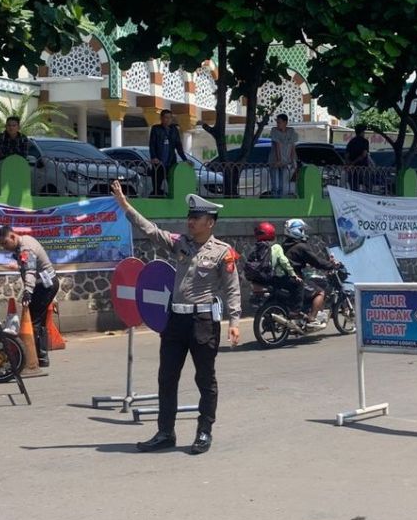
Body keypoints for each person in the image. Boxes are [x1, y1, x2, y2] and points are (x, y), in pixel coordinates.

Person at [109, 179, 242, 455]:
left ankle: (204, 432)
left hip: (203, 323)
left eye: (196, 217)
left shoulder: (222, 252)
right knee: (166, 377)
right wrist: (124, 205)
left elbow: (232, 288)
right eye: (189, 217)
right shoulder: (179, 243)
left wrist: (235, 322)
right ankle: (165, 432)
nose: (190, 222)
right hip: (176, 323)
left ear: (210, 222)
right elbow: (150, 230)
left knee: (205, 379)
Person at [0, 225, 58, 369]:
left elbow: (30, 270)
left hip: (44, 286)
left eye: (5, 243)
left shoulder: (25, 248)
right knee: (38, 320)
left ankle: (33, 357)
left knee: (33, 320)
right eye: (1, 245)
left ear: (12, 236)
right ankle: (41, 357)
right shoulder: (24, 241)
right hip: (44, 284)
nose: (4, 247)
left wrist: (27, 291)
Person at [282, 218, 338, 330]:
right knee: (320, 292)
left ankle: (305, 312)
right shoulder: (301, 247)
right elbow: (317, 261)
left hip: (284, 277)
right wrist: (331, 265)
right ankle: (312, 318)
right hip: (295, 278)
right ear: (296, 231)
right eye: (302, 230)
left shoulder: (285, 245)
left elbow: (294, 260)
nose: (304, 232)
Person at [148, 108, 188, 197]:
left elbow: (179, 146)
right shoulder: (156, 129)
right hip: (159, 163)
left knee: (172, 185)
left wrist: (185, 159)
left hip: (171, 162)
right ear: (161, 118)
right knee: (157, 186)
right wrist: (154, 157)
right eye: (166, 117)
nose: (168, 120)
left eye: (170, 118)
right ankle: (157, 199)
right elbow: (152, 145)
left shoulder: (174, 130)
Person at [268, 113, 298, 198]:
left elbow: (292, 146)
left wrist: (293, 160)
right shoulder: (274, 130)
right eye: (277, 122)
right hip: (275, 161)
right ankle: (275, 203)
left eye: (279, 122)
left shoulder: (291, 131)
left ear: (285, 122)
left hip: (285, 162)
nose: (277, 124)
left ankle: (280, 203)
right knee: (275, 185)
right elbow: (277, 145)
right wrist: (279, 160)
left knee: (282, 186)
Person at [345, 125, 371, 192]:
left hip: (353, 169)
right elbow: (364, 155)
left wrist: (350, 164)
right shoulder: (365, 141)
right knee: (367, 188)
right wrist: (353, 163)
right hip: (363, 168)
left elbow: (347, 155)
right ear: (362, 132)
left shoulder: (351, 142)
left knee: (354, 189)